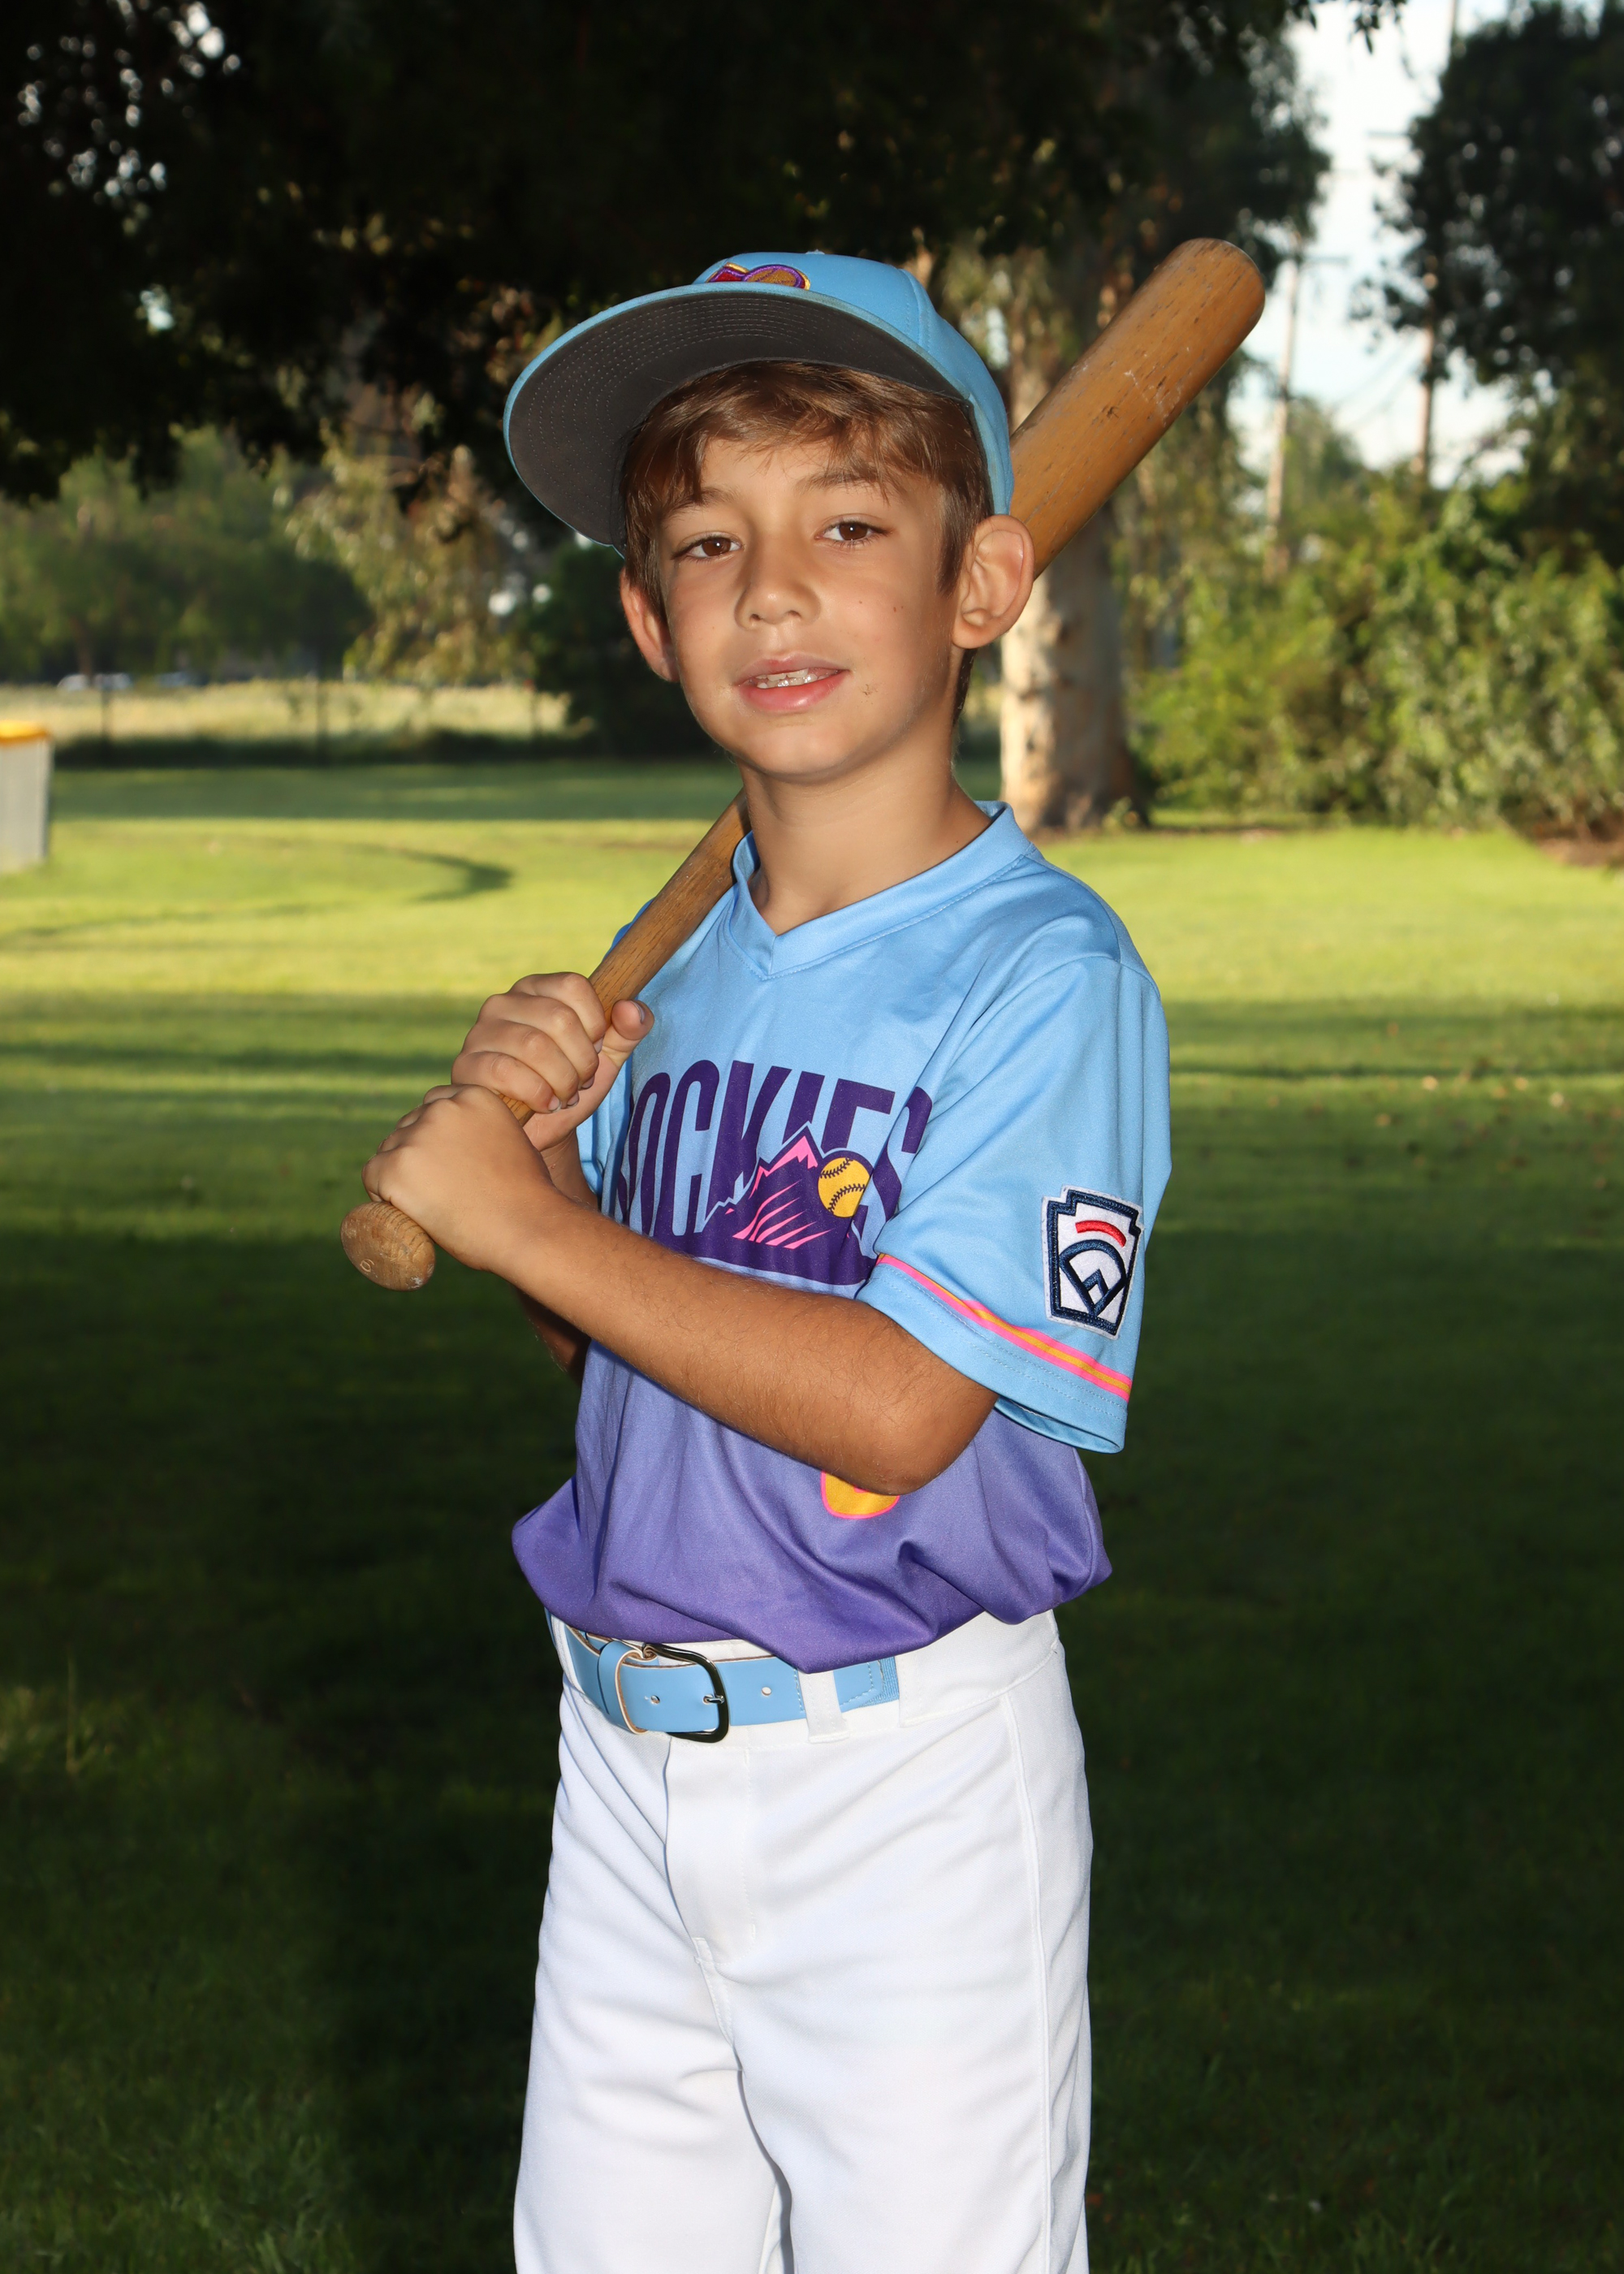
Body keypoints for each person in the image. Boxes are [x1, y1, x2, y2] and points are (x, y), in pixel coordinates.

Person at [363, 252, 1171, 2274]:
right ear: (650, 619)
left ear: (982, 581)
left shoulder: (1042, 976)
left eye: (849, 525)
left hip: (903, 1786)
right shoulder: (684, 979)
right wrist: (554, 1183)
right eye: (709, 542)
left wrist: (529, 1219)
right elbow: (635, 1374)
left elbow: (895, 1409)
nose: (774, 589)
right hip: (626, 1758)